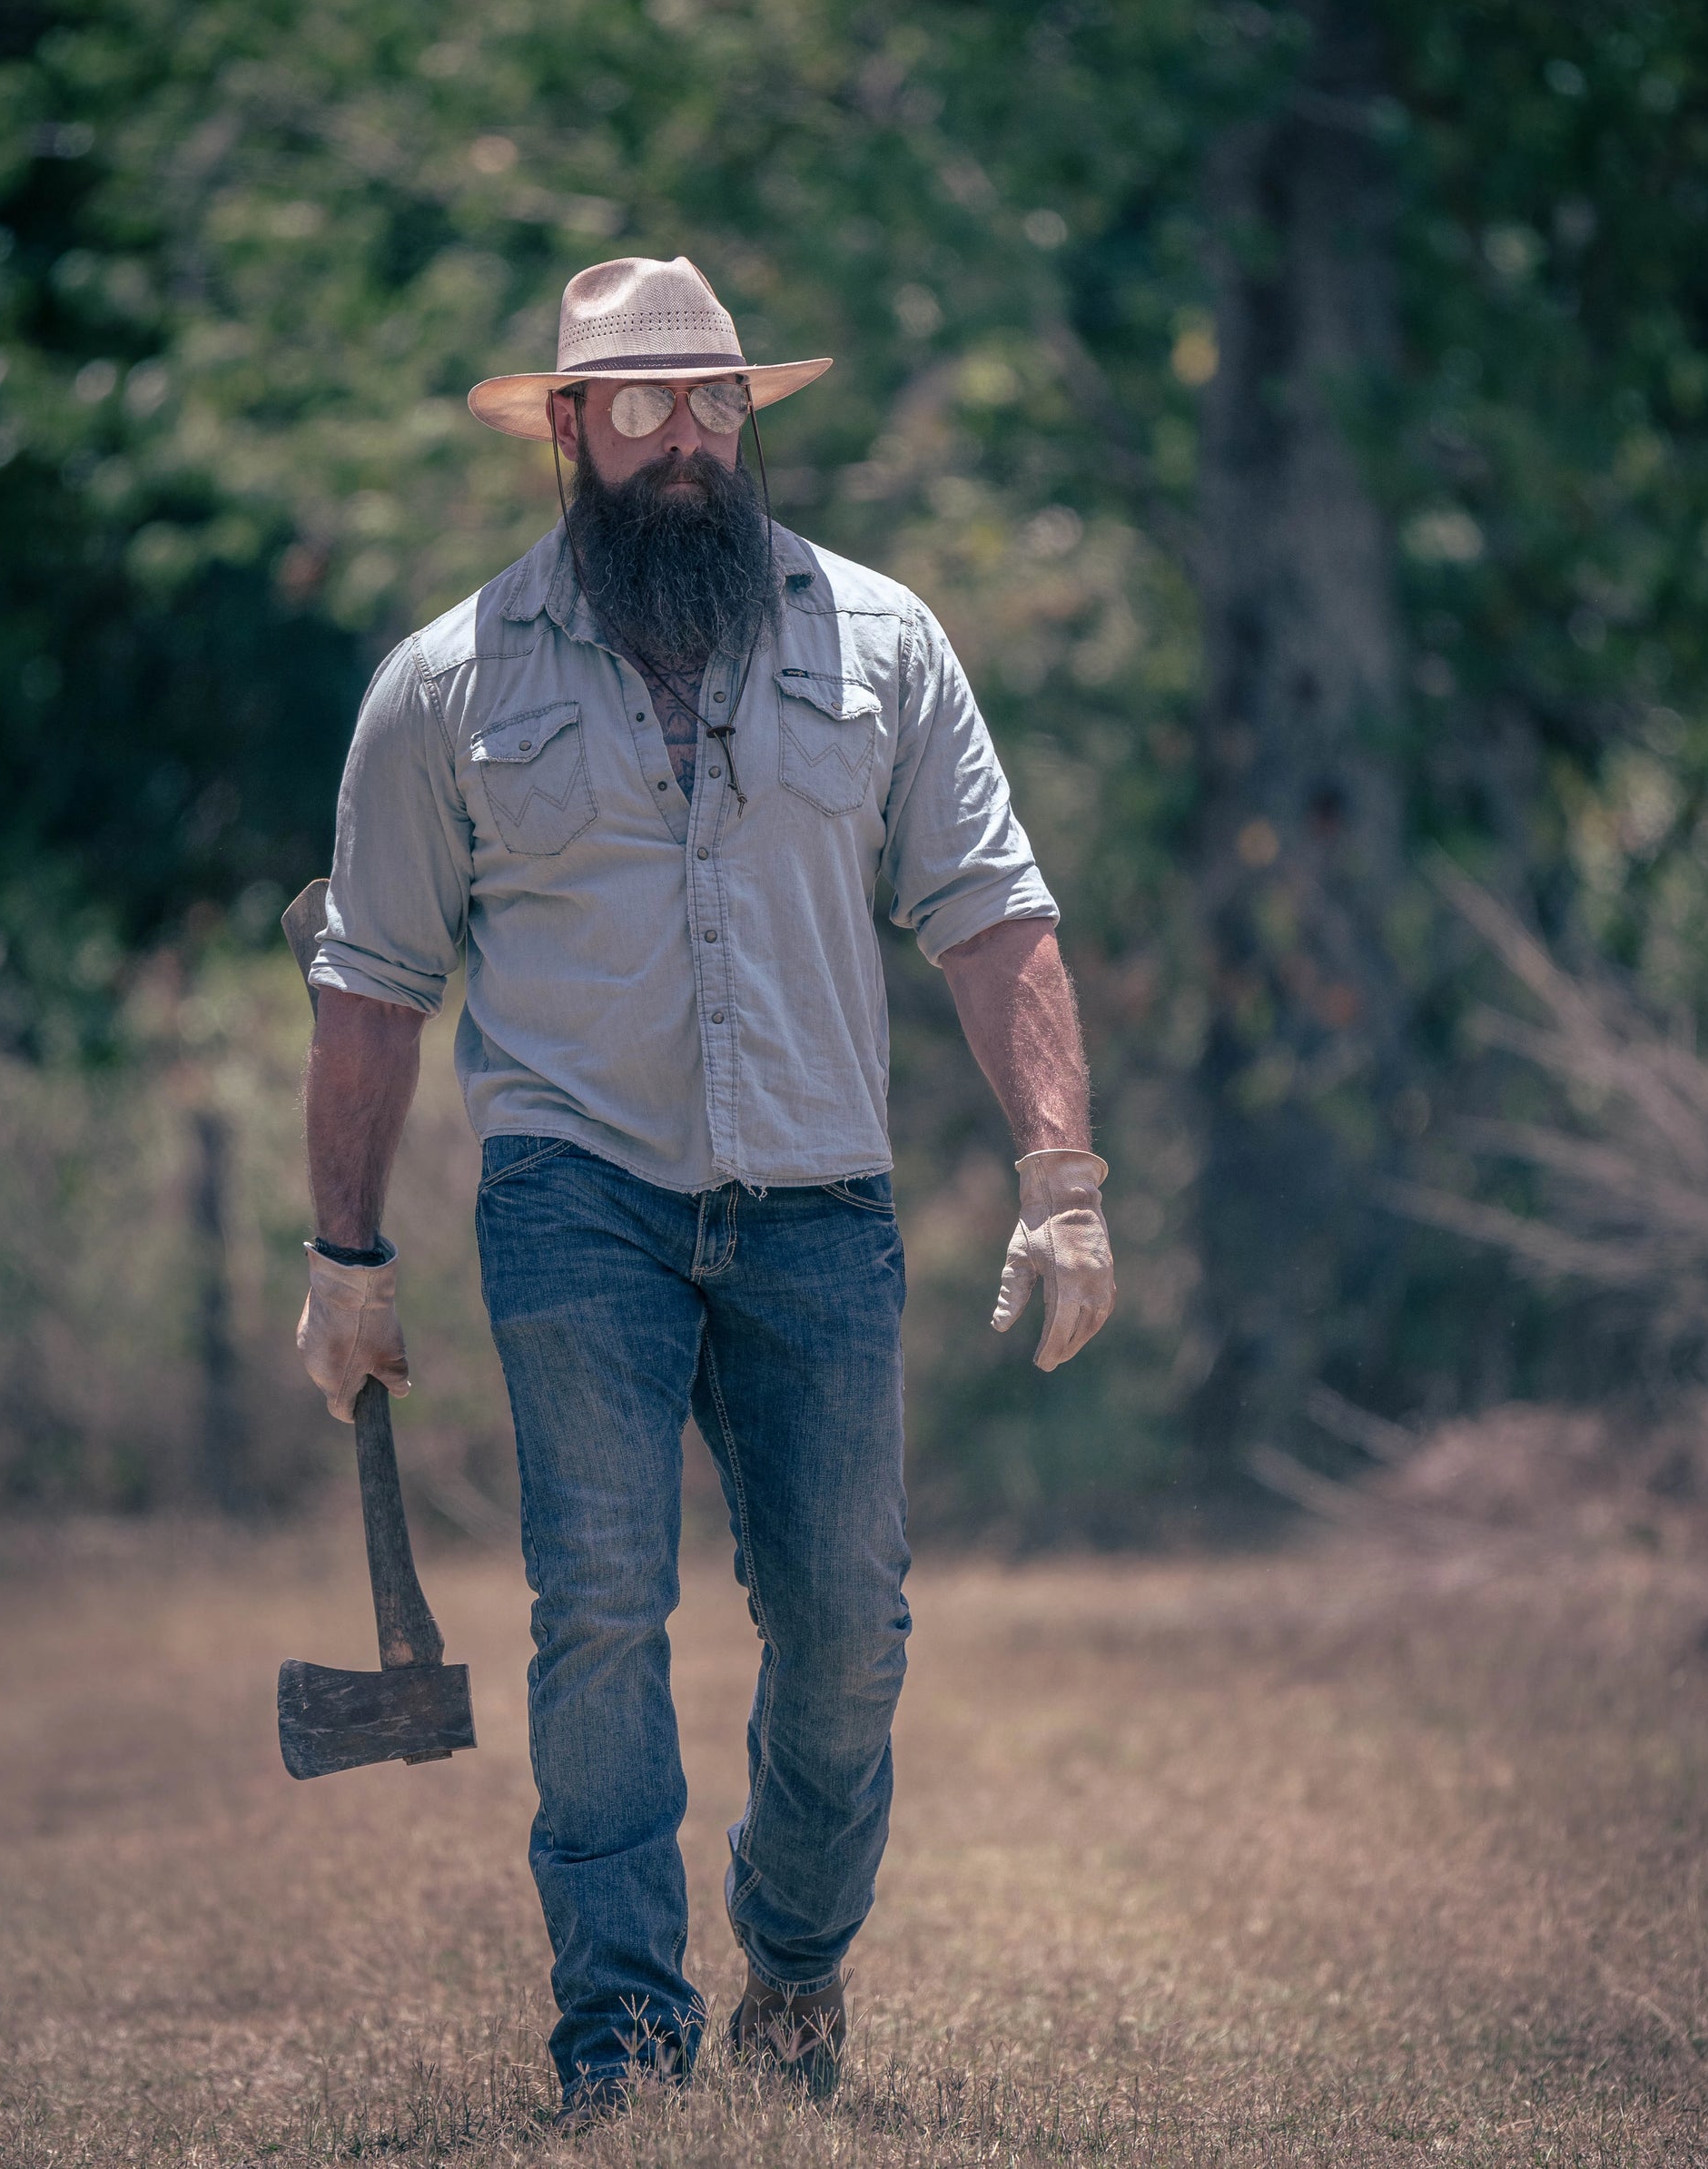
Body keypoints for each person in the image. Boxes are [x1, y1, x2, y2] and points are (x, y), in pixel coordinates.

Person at [293, 255, 1115, 2123]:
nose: (687, 438)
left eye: (717, 400)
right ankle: (623, 2044)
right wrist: (345, 1252)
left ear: (749, 418)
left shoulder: (883, 640)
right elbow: (369, 980)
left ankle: (796, 1967)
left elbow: (989, 911)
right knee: (598, 1604)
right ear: (569, 429)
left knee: (850, 1623)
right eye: (644, 404)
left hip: (821, 1198)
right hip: (574, 1195)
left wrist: (1060, 1175)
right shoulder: (444, 683)